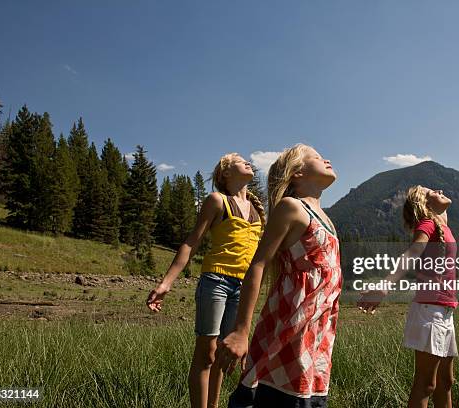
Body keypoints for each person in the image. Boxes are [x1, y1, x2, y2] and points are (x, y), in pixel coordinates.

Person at [216, 144, 341, 408]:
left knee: (310, 398)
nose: (327, 158)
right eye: (317, 157)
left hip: (318, 335)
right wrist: (241, 331)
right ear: (297, 173)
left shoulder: (327, 221)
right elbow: (258, 265)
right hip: (288, 326)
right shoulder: (292, 208)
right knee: (279, 398)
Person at [146, 153, 265, 408]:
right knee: (207, 353)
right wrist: (166, 283)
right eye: (239, 160)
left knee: (223, 354)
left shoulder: (257, 211)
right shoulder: (217, 200)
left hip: (244, 289)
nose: (247, 162)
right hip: (216, 281)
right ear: (226, 174)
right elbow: (191, 242)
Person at [358, 186, 458, 408]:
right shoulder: (427, 224)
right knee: (426, 384)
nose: (440, 189)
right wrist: (385, 286)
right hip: (430, 313)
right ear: (425, 204)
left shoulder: (441, 225)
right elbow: (412, 253)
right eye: (431, 190)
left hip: (444, 312)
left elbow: (441, 212)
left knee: (445, 382)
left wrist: (437, 206)